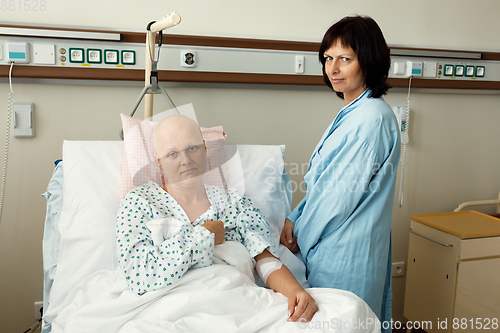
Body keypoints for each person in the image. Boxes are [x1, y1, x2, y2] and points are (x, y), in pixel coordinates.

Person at [116, 115, 317, 322]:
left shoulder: (235, 204)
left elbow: (264, 261)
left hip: (234, 300)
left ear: (204, 149)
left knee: (346, 304)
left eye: (192, 148)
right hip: (167, 305)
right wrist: (204, 236)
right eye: (173, 154)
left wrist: (295, 291)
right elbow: (140, 275)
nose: (185, 160)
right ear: (159, 161)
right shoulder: (139, 202)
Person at [280, 15, 400, 331]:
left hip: (344, 257)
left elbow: (336, 201)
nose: (333, 68)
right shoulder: (354, 111)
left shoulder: (369, 120)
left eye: (345, 59)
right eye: (328, 58)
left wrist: (298, 236)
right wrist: (294, 215)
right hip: (338, 248)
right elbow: (325, 184)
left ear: (368, 62)